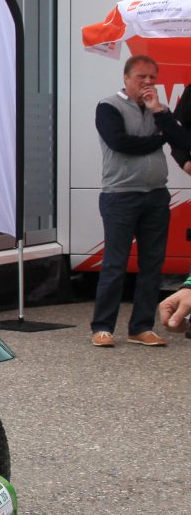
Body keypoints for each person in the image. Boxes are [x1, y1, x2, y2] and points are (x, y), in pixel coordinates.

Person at [90, 55, 189, 347]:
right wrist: (159, 139)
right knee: (115, 263)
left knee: (152, 264)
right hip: (120, 195)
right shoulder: (109, 106)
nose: (147, 82)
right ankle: (102, 327)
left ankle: (141, 327)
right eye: (141, 77)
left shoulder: (160, 110)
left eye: (152, 78)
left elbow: (184, 141)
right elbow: (120, 143)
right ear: (126, 78)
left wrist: (158, 112)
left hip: (156, 194)